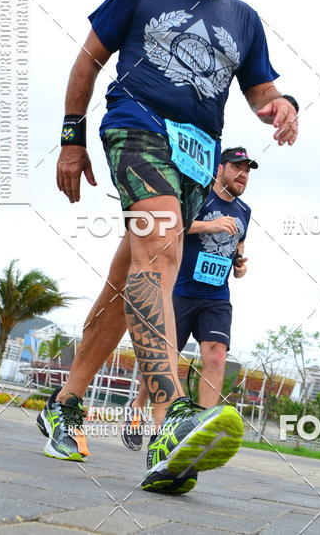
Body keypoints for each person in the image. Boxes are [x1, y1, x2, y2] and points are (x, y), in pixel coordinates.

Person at [37, 0, 299, 495]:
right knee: (163, 254)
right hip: (136, 125)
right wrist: (72, 140)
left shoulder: (245, 20)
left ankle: (66, 403)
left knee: (129, 276)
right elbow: (88, 59)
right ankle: (170, 420)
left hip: (195, 158)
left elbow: (261, 92)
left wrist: (281, 105)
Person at [122, 146, 255, 451]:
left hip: (216, 296)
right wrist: (210, 225)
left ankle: (202, 431)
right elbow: (172, 227)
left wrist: (240, 264)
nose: (242, 175)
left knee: (217, 355)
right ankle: (138, 408)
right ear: (220, 169)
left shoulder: (245, 211)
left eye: (247, 170)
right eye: (237, 167)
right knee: (164, 361)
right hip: (181, 290)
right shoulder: (199, 196)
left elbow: (239, 244)